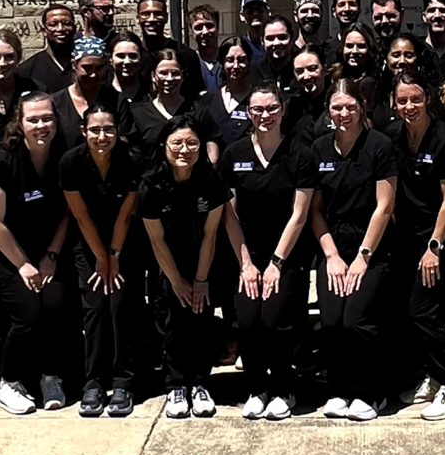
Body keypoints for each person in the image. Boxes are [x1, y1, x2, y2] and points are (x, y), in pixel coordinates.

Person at [304, 77, 399, 422]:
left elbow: (384, 207)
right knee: (331, 322)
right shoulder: (319, 148)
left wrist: (362, 257)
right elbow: (314, 210)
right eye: (336, 107)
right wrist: (331, 255)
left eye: (349, 106)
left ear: (362, 108)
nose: (343, 113)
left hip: (370, 246)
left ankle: (370, 393)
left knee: (356, 321)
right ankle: (340, 390)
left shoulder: (379, 145)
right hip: (332, 245)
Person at [220, 84, 316, 420]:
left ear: (283, 110)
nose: (265, 116)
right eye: (258, 109)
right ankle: (257, 388)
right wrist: (245, 263)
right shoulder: (234, 154)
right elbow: (228, 214)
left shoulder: (300, 154)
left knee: (275, 319)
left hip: (286, 255)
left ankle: (284, 389)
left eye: (272, 108)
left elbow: (300, 214)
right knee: (248, 320)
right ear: (248, 113)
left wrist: (276, 262)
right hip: (247, 254)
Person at [0, 94, 79, 414]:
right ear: (19, 124)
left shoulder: (64, 157)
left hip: (46, 251)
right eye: (33, 119)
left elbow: (69, 211)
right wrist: (22, 264)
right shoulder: (3, 161)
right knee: (27, 311)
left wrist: (51, 255)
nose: (41, 125)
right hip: (2, 252)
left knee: (55, 303)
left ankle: (50, 375)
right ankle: (7, 382)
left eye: (47, 118)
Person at [380, 69, 445, 413]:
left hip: (435, 241)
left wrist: (434, 248)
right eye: (402, 100)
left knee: (423, 312)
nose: (409, 105)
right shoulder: (392, 135)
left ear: (427, 99)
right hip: (402, 238)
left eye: (415, 98)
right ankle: (427, 373)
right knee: (402, 313)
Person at [137, 117, 229, 418]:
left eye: (192, 143)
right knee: (173, 325)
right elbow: (156, 240)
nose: (184, 149)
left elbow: (211, 234)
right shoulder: (151, 185)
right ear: (164, 146)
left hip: (203, 260)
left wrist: (201, 278)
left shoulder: (211, 181)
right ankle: (176, 386)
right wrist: (176, 281)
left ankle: (201, 383)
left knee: (200, 319)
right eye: (177, 143)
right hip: (167, 266)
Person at [62, 101, 147, 418]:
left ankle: (124, 381)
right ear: (84, 131)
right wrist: (100, 256)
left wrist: (113, 255)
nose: (102, 135)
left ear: (118, 131)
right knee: (96, 307)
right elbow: (80, 215)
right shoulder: (70, 162)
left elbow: (126, 214)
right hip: (88, 245)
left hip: (126, 244)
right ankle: (94, 382)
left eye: (108, 129)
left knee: (120, 305)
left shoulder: (132, 159)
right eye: (95, 130)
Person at [52, 35, 124, 153]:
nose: (93, 74)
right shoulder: (56, 103)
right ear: (74, 65)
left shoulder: (116, 100)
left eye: (99, 68)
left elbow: (125, 138)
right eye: (87, 68)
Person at [130, 48, 204, 148]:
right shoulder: (138, 114)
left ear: (183, 76)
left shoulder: (199, 111)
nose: (169, 79)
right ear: (153, 76)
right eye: (163, 73)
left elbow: (211, 147)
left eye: (175, 73)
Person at [202, 37, 258, 151]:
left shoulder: (258, 99)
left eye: (241, 60)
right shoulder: (208, 100)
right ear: (222, 62)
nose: (236, 66)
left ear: (249, 61)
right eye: (230, 60)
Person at [17, 2, 80, 92]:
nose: (60, 29)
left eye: (66, 23)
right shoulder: (26, 70)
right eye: (53, 24)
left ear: (74, 28)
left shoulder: (88, 65)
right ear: (44, 31)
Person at [107, 32, 149, 105]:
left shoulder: (151, 91)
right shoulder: (103, 92)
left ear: (141, 58)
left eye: (133, 56)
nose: (127, 62)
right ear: (110, 59)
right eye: (121, 56)